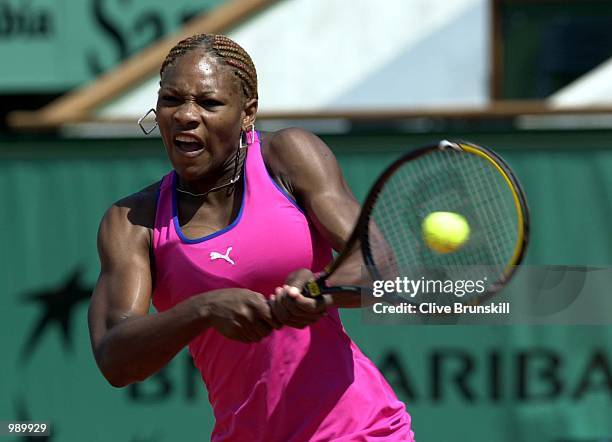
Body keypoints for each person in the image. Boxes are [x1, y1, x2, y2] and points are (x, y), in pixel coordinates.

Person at [88, 33, 414, 441]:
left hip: (357, 429)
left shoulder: (290, 156)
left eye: (209, 103)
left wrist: (321, 290)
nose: (186, 115)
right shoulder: (131, 221)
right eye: (172, 99)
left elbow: (378, 262)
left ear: (248, 113)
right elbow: (116, 358)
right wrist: (202, 309)